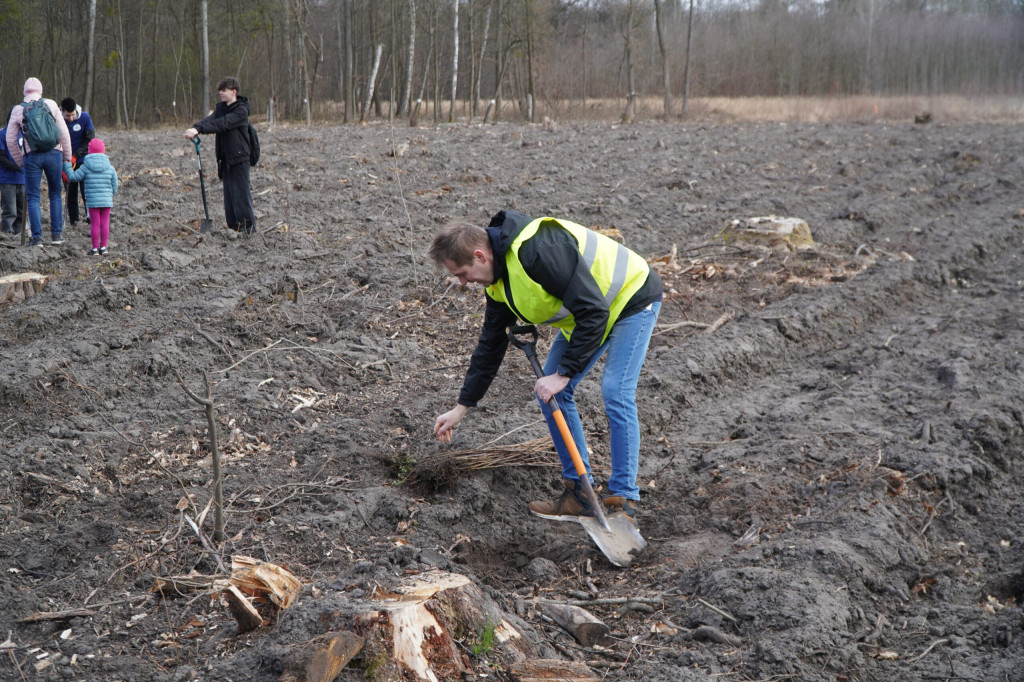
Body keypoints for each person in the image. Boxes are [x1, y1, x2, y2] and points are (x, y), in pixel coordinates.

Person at [430, 210, 663, 526]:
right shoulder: (498, 283)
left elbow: (593, 310)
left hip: (631, 298)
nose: (462, 282)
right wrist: (462, 407)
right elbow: (490, 346)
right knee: (549, 394)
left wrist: (564, 373)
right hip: (590, 315)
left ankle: (625, 500)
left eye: (461, 273)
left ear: (480, 255)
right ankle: (579, 494)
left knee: (615, 389)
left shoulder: (538, 249)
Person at [5, 77, 72, 246]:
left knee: (33, 197)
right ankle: (56, 235)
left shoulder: (18, 109)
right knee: (55, 194)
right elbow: (64, 133)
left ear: (24, 91)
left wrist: (21, 161)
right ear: (40, 90)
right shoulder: (51, 104)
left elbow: (10, 140)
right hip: (54, 154)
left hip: (32, 156)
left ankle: (37, 238)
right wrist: (66, 157)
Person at [184, 76, 255, 235]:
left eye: (224, 90)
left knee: (241, 196)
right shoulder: (221, 108)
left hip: (240, 158)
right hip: (225, 159)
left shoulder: (241, 110)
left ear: (234, 92)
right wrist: (196, 127)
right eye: (220, 91)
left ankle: (248, 230)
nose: (221, 93)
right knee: (229, 198)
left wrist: (199, 130)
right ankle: (234, 229)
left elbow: (222, 124)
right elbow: (211, 119)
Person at [63, 138, 117, 256]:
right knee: (105, 223)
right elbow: (115, 185)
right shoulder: (110, 167)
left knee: (95, 224)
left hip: (92, 201)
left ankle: (94, 249)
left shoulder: (85, 167)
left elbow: (73, 177)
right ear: (103, 151)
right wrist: (110, 195)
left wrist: (67, 165)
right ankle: (103, 247)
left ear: (89, 151)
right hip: (107, 201)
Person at [60, 97, 95, 227]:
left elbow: (90, 139)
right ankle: (74, 220)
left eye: (73, 114)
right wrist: (65, 160)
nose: (71, 118)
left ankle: (90, 217)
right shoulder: (57, 120)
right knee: (71, 193)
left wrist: (75, 155)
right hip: (66, 163)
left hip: (83, 161)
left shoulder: (85, 118)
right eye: (68, 115)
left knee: (87, 191)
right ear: (62, 111)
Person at [0, 107, 25, 236]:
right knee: (10, 210)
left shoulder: (24, 135)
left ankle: (19, 233)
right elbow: (1, 156)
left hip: (22, 179)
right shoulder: (2, 134)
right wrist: (15, 166)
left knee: (21, 210)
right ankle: (7, 234)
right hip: (7, 179)